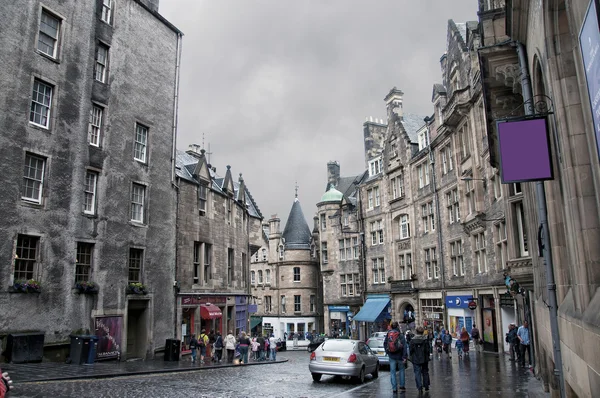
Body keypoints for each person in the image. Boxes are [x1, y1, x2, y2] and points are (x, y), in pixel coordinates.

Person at [384, 321, 408, 393]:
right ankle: (402, 386)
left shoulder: (389, 334)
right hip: (400, 356)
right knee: (401, 370)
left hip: (391, 356)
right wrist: (404, 356)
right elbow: (404, 346)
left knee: (393, 372)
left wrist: (387, 352)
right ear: (397, 326)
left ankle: (394, 388)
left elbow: (385, 343)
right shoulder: (400, 335)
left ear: (391, 326)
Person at [409, 326, 431, 393]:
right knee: (425, 372)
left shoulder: (412, 340)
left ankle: (419, 387)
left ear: (416, 332)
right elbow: (428, 350)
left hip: (415, 359)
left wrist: (411, 356)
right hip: (424, 358)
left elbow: (410, 350)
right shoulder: (425, 340)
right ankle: (426, 385)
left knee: (417, 373)